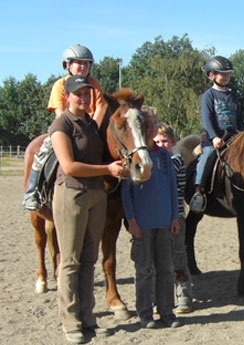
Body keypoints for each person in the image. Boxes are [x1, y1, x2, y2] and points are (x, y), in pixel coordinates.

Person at [50, 76, 124, 343]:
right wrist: (107, 169)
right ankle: (70, 322)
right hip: (72, 194)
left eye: (86, 94)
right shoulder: (62, 125)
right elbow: (69, 166)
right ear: (68, 96)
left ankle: (88, 317)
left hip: (96, 195)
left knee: (90, 259)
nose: (83, 98)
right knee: (70, 261)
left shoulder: (91, 124)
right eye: (78, 94)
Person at [23, 44, 107, 211]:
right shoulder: (60, 85)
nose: (83, 67)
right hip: (67, 127)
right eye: (79, 63)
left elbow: (101, 107)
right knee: (43, 151)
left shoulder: (94, 84)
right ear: (68, 65)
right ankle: (32, 191)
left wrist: (93, 128)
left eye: (87, 63)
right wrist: (72, 128)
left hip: (91, 127)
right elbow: (60, 111)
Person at [122, 107, 182, 329]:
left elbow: (172, 187)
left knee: (166, 268)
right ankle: (145, 313)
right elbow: (125, 192)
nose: (154, 128)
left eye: (156, 124)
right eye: (150, 124)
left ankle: (167, 311)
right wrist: (132, 220)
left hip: (164, 221)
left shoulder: (164, 156)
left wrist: (174, 216)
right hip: (142, 224)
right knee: (144, 269)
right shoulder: (133, 156)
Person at [190, 56, 244, 214]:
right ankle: (199, 191)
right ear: (211, 75)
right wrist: (214, 137)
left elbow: (240, 118)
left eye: (228, 74)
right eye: (223, 74)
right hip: (215, 138)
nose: (226, 77)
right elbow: (207, 119)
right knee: (207, 155)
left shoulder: (232, 96)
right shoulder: (209, 95)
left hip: (234, 137)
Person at [153, 122, 194, 314]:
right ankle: (158, 297)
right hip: (156, 219)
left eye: (165, 141)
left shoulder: (176, 160)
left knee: (178, 255)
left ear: (173, 143)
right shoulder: (152, 159)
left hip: (175, 216)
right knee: (157, 259)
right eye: (157, 141)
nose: (162, 145)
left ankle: (184, 293)